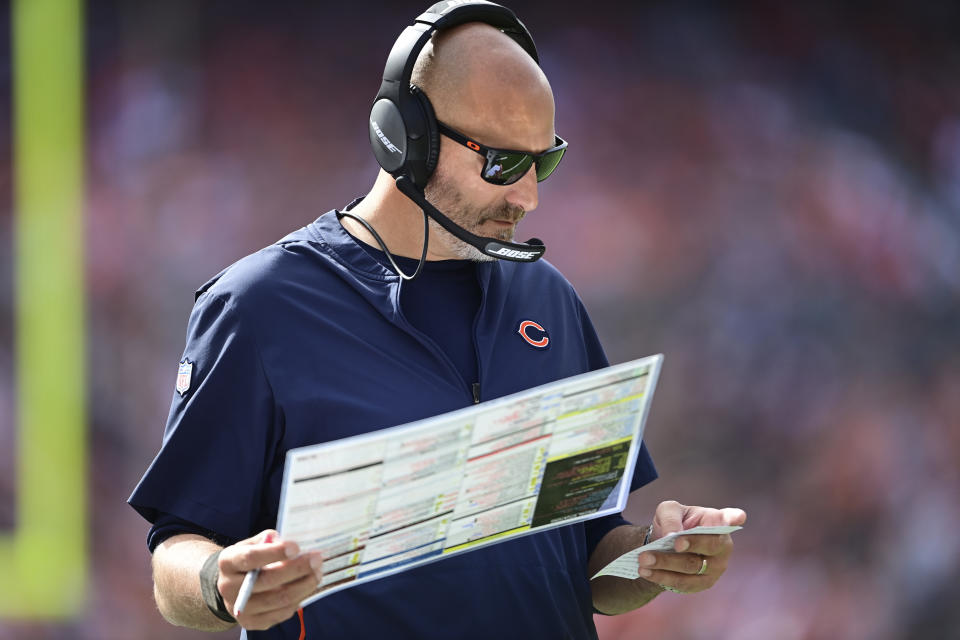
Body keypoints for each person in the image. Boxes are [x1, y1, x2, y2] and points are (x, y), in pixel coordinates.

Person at [129, 3, 746, 639]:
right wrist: (220, 581)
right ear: (407, 137)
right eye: (503, 163)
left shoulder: (550, 301)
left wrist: (652, 557)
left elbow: (587, 563)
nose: (528, 195)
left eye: (544, 161)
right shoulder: (258, 308)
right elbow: (176, 551)